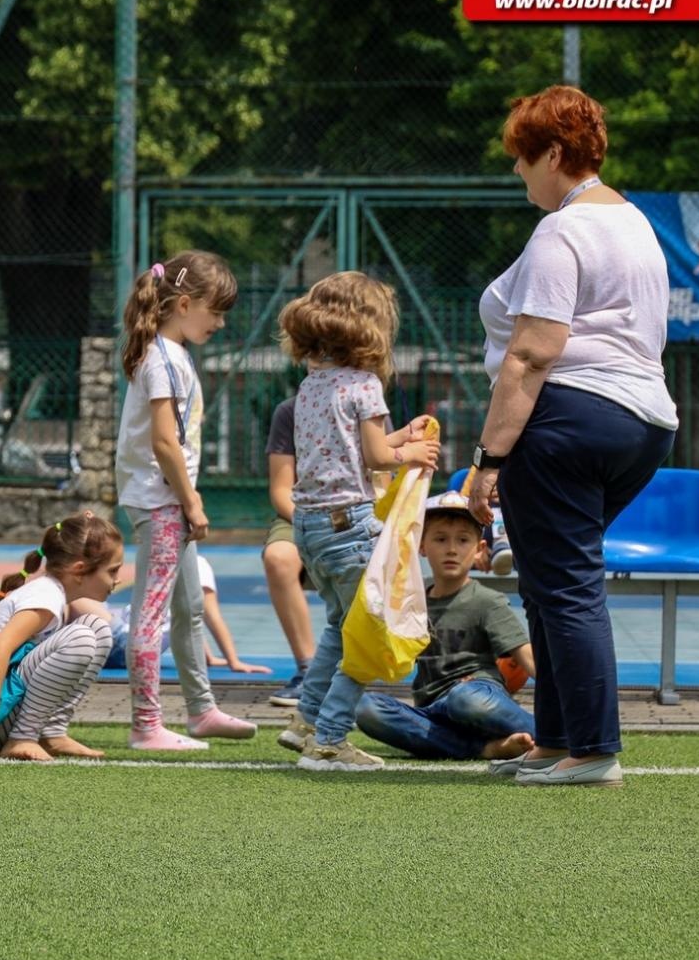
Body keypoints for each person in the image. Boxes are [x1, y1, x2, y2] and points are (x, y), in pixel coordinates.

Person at [468, 86, 678, 788]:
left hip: (569, 420)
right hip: (642, 423)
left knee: (566, 582)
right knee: (550, 579)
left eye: (524, 160)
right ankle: (558, 738)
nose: (519, 174)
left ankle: (592, 749)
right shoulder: (634, 220)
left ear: (554, 153)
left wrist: (487, 458)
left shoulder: (563, 229)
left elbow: (532, 353)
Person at [274, 272, 440, 773]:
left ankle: (304, 722)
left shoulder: (309, 387)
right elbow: (372, 456)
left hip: (312, 528)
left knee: (338, 626)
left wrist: (400, 437)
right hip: (351, 527)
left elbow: (341, 452)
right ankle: (329, 740)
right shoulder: (364, 385)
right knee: (366, 635)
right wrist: (410, 450)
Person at [115, 250, 259, 751]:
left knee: (190, 606)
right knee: (151, 612)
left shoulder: (171, 355)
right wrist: (191, 502)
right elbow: (163, 442)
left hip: (167, 499)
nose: (220, 323)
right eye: (214, 312)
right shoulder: (162, 359)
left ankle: (201, 710)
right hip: (162, 501)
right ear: (182, 304)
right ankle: (146, 725)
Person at [353, 492, 536, 761]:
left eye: (463, 540)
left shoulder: (487, 601)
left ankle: (553, 733)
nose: (452, 549)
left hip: (476, 697)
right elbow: (382, 655)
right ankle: (484, 749)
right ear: (422, 546)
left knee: (464, 700)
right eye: (440, 539)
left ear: (479, 550)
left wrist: (566, 701)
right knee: (365, 708)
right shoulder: (411, 602)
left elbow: (527, 657)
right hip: (431, 712)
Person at [0, 514, 122, 762]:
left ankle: (52, 733)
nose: (117, 580)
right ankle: (22, 738)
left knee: (98, 628)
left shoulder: (53, 594)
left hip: (2, 711)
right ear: (80, 570)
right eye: (113, 571)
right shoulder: (45, 597)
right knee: (81, 637)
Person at [105, 549, 273, 676]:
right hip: (130, 644)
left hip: (127, 640)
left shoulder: (163, 560)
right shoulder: (193, 563)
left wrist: (211, 657)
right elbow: (209, 616)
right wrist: (233, 662)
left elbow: (191, 615)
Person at [262, 394, 315, 705]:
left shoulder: (365, 398)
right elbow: (281, 489)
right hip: (303, 513)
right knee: (278, 558)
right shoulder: (289, 410)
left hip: (356, 512)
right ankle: (308, 669)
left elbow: (381, 478)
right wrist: (311, 524)